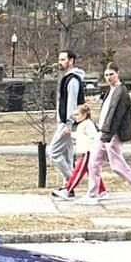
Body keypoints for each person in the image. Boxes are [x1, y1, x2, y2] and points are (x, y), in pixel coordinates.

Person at [79, 63, 131, 206]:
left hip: (113, 134)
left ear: (117, 73)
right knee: (93, 163)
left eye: (111, 74)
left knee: (117, 165)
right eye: (106, 75)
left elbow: (115, 116)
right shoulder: (111, 91)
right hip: (103, 132)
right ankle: (93, 194)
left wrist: (108, 134)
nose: (108, 77)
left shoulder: (120, 91)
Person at [51, 102, 107, 200]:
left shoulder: (88, 124)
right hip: (85, 151)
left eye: (78, 114)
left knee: (78, 171)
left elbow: (93, 136)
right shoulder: (82, 124)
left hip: (88, 151)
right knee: (92, 171)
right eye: (75, 114)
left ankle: (68, 190)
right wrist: (71, 134)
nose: (76, 117)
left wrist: (73, 135)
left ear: (85, 114)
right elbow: (79, 135)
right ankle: (102, 191)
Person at [48, 50, 86, 184]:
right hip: (65, 122)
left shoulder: (73, 80)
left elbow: (72, 103)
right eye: (59, 59)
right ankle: (68, 188)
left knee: (53, 152)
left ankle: (71, 181)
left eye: (63, 59)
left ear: (71, 61)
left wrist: (69, 124)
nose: (60, 62)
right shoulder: (68, 78)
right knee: (67, 155)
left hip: (67, 124)